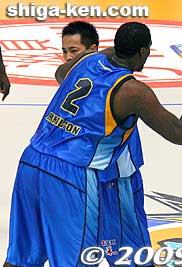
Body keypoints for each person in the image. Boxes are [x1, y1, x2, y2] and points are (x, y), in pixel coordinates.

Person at [3, 21, 182, 267]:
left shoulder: (85, 61)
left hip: (31, 162)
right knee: (77, 260)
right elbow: (181, 134)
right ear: (143, 52)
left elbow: (60, 74)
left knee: (20, 257)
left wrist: (103, 53)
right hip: (69, 174)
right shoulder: (134, 92)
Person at [60, 21, 151, 266]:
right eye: (65, 52)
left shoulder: (120, 85)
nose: (69, 58)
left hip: (117, 175)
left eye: (74, 52)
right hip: (84, 177)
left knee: (130, 254)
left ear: (91, 51)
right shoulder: (84, 74)